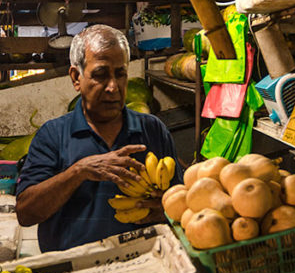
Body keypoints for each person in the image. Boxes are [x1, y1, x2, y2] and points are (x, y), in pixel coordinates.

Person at [16, 25, 182, 253]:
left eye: (120, 74)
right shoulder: (52, 135)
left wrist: (164, 211)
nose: (113, 87)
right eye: (101, 75)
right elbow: (26, 213)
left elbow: (181, 203)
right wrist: (79, 171)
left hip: (144, 267)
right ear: (76, 77)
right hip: (75, 272)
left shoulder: (152, 129)